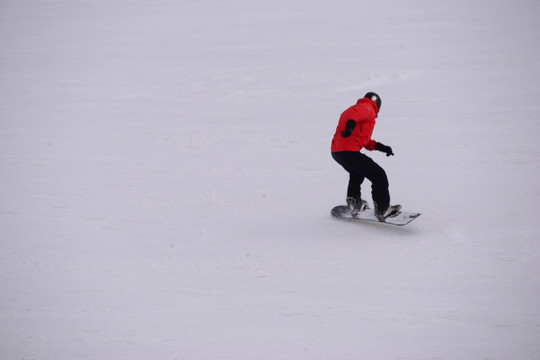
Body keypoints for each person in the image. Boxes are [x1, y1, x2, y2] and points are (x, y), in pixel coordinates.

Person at [331, 92, 402, 221]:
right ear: (378, 106)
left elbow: (365, 142)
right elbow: (351, 115)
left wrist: (382, 147)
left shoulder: (365, 116)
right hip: (348, 152)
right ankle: (383, 209)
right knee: (379, 175)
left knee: (357, 173)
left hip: (338, 152)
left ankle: (355, 204)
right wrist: (350, 125)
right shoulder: (367, 107)